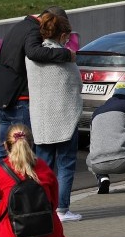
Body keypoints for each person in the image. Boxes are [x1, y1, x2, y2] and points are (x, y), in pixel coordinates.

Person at [0, 6, 76, 219]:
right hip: (20, 100)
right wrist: (66, 54)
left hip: (4, 97)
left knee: (4, 151)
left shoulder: (18, 26)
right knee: (24, 154)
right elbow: (34, 53)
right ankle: (21, 203)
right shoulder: (33, 32)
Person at [26, 12, 83, 222]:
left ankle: (44, 208)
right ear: (62, 35)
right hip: (65, 117)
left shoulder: (31, 56)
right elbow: (76, 84)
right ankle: (62, 210)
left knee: (43, 165)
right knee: (66, 164)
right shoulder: (64, 56)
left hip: (41, 118)